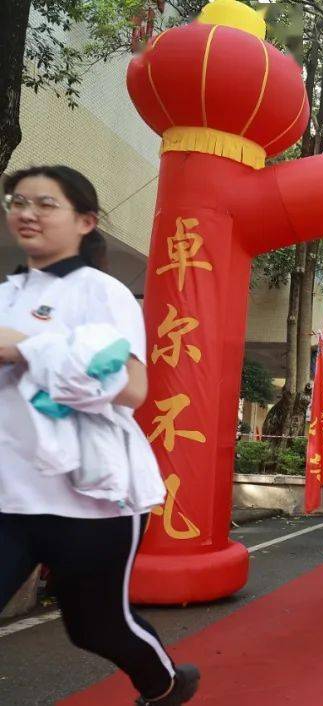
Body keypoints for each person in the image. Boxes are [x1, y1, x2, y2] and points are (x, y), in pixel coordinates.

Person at [0, 166, 199, 706]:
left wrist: (25, 347)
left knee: (94, 627)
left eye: (45, 203)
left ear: (86, 220)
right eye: (18, 200)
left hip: (90, 498)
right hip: (9, 495)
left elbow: (130, 387)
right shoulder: (6, 294)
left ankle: (164, 685)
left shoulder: (103, 293)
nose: (27, 212)